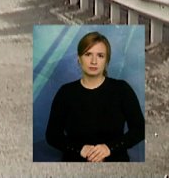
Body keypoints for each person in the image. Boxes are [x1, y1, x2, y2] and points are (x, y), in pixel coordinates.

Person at [45, 31, 144, 162]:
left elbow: (140, 129)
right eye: (88, 54)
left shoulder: (122, 89)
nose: (93, 61)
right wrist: (80, 149)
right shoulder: (66, 92)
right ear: (79, 58)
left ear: (106, 60)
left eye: (100, 56)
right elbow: (52, 135)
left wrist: (109, 148)